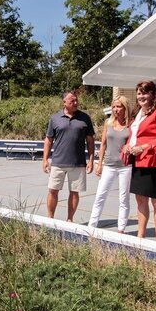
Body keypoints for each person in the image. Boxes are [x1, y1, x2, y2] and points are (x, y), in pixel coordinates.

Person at [122, 80, 156, 242]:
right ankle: (140, 237)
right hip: (139, 161)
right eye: (139, 93)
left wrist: (144, 147)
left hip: (155, 162)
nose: (141, 96)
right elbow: (133, 136)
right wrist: (127, 146)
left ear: (152, 94)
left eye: (145, 92)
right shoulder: (138, 114)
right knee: (140, 199)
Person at [42, 90, 95, 222]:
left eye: (76, 100)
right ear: (64, 102)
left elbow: (90, 141)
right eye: (72, 101)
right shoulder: (55, 118)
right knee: (53, 191)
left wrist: (91, 160)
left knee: (74, 192)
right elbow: (48, 140)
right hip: (58, 162)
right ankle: (50, 218)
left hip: (78, 163)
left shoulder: (85, 118)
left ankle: (70, 219)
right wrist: (45, 159)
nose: (76, 102)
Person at [88, 96, 132, 233]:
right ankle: (91, 226)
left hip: (126, 166)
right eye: (114, 106)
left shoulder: (131, 124)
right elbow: (103, 144)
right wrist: (99, 163)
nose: (116, 109)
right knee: (100, 196)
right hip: (109, 165)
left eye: (119, 106)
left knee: (124, 199)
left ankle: (121, 229)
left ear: (125, 108)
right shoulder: (108, 122)